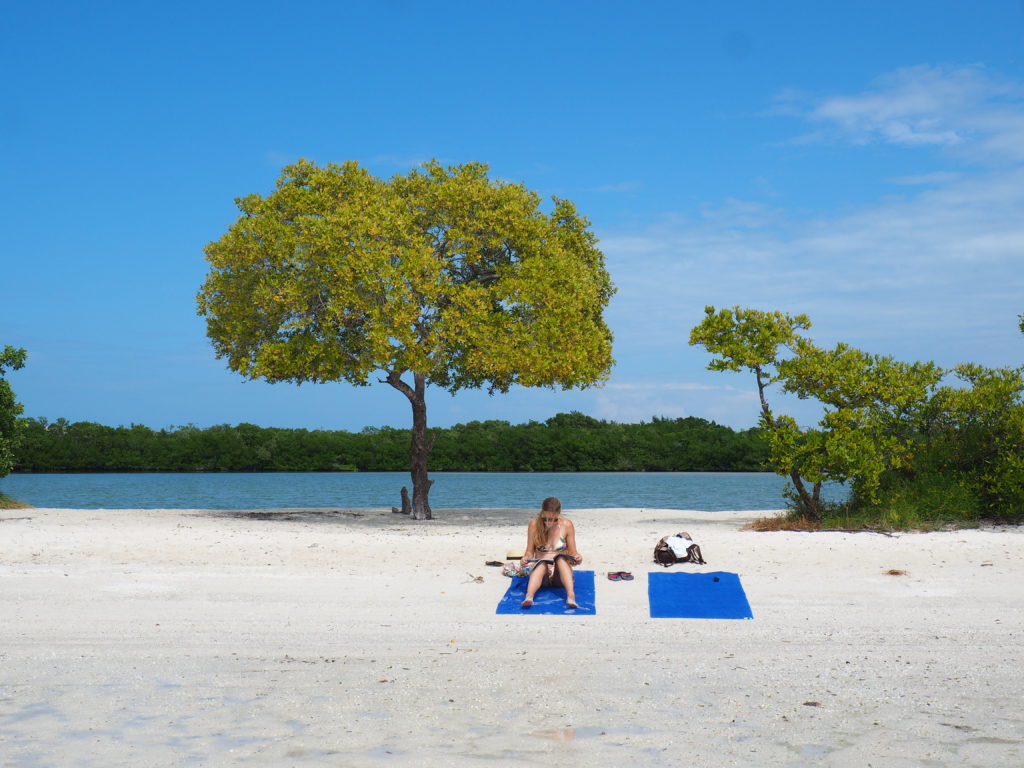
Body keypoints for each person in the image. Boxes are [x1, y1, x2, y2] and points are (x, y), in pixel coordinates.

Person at [519, 497, 583, 609]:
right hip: (541, 574)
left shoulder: (567, 525)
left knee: (560, 558)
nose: (549, 522)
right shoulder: (534, 525)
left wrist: (578, 558)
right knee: (542, 563)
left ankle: (571, 596)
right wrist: (526, 558)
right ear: (542, 512)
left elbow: (573, 552)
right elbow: (529, 551)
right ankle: (529, 596)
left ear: (558, 514)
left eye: (553, 519)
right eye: (546, 519)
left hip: (560, 573)